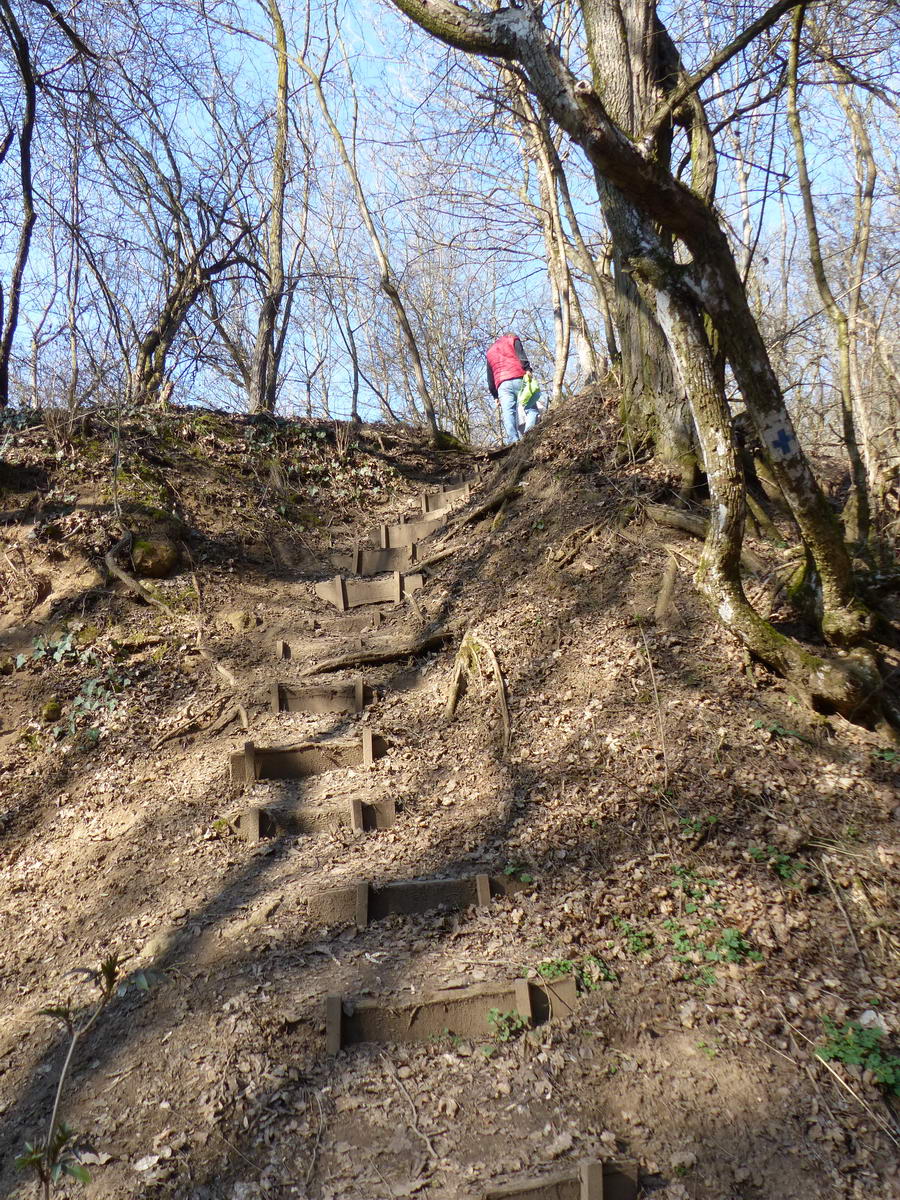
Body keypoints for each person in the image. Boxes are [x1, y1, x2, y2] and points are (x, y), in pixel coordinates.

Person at [486, 333, 538, 444]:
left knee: (508, 413)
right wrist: (527, 368)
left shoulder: (490, 352)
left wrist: (495, 395)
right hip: (519, 377)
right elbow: (521, 354)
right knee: (531, 409)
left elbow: (490, 377)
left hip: (502, 384)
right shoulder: (512, 339)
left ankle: (513, 441)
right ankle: (529, 436)